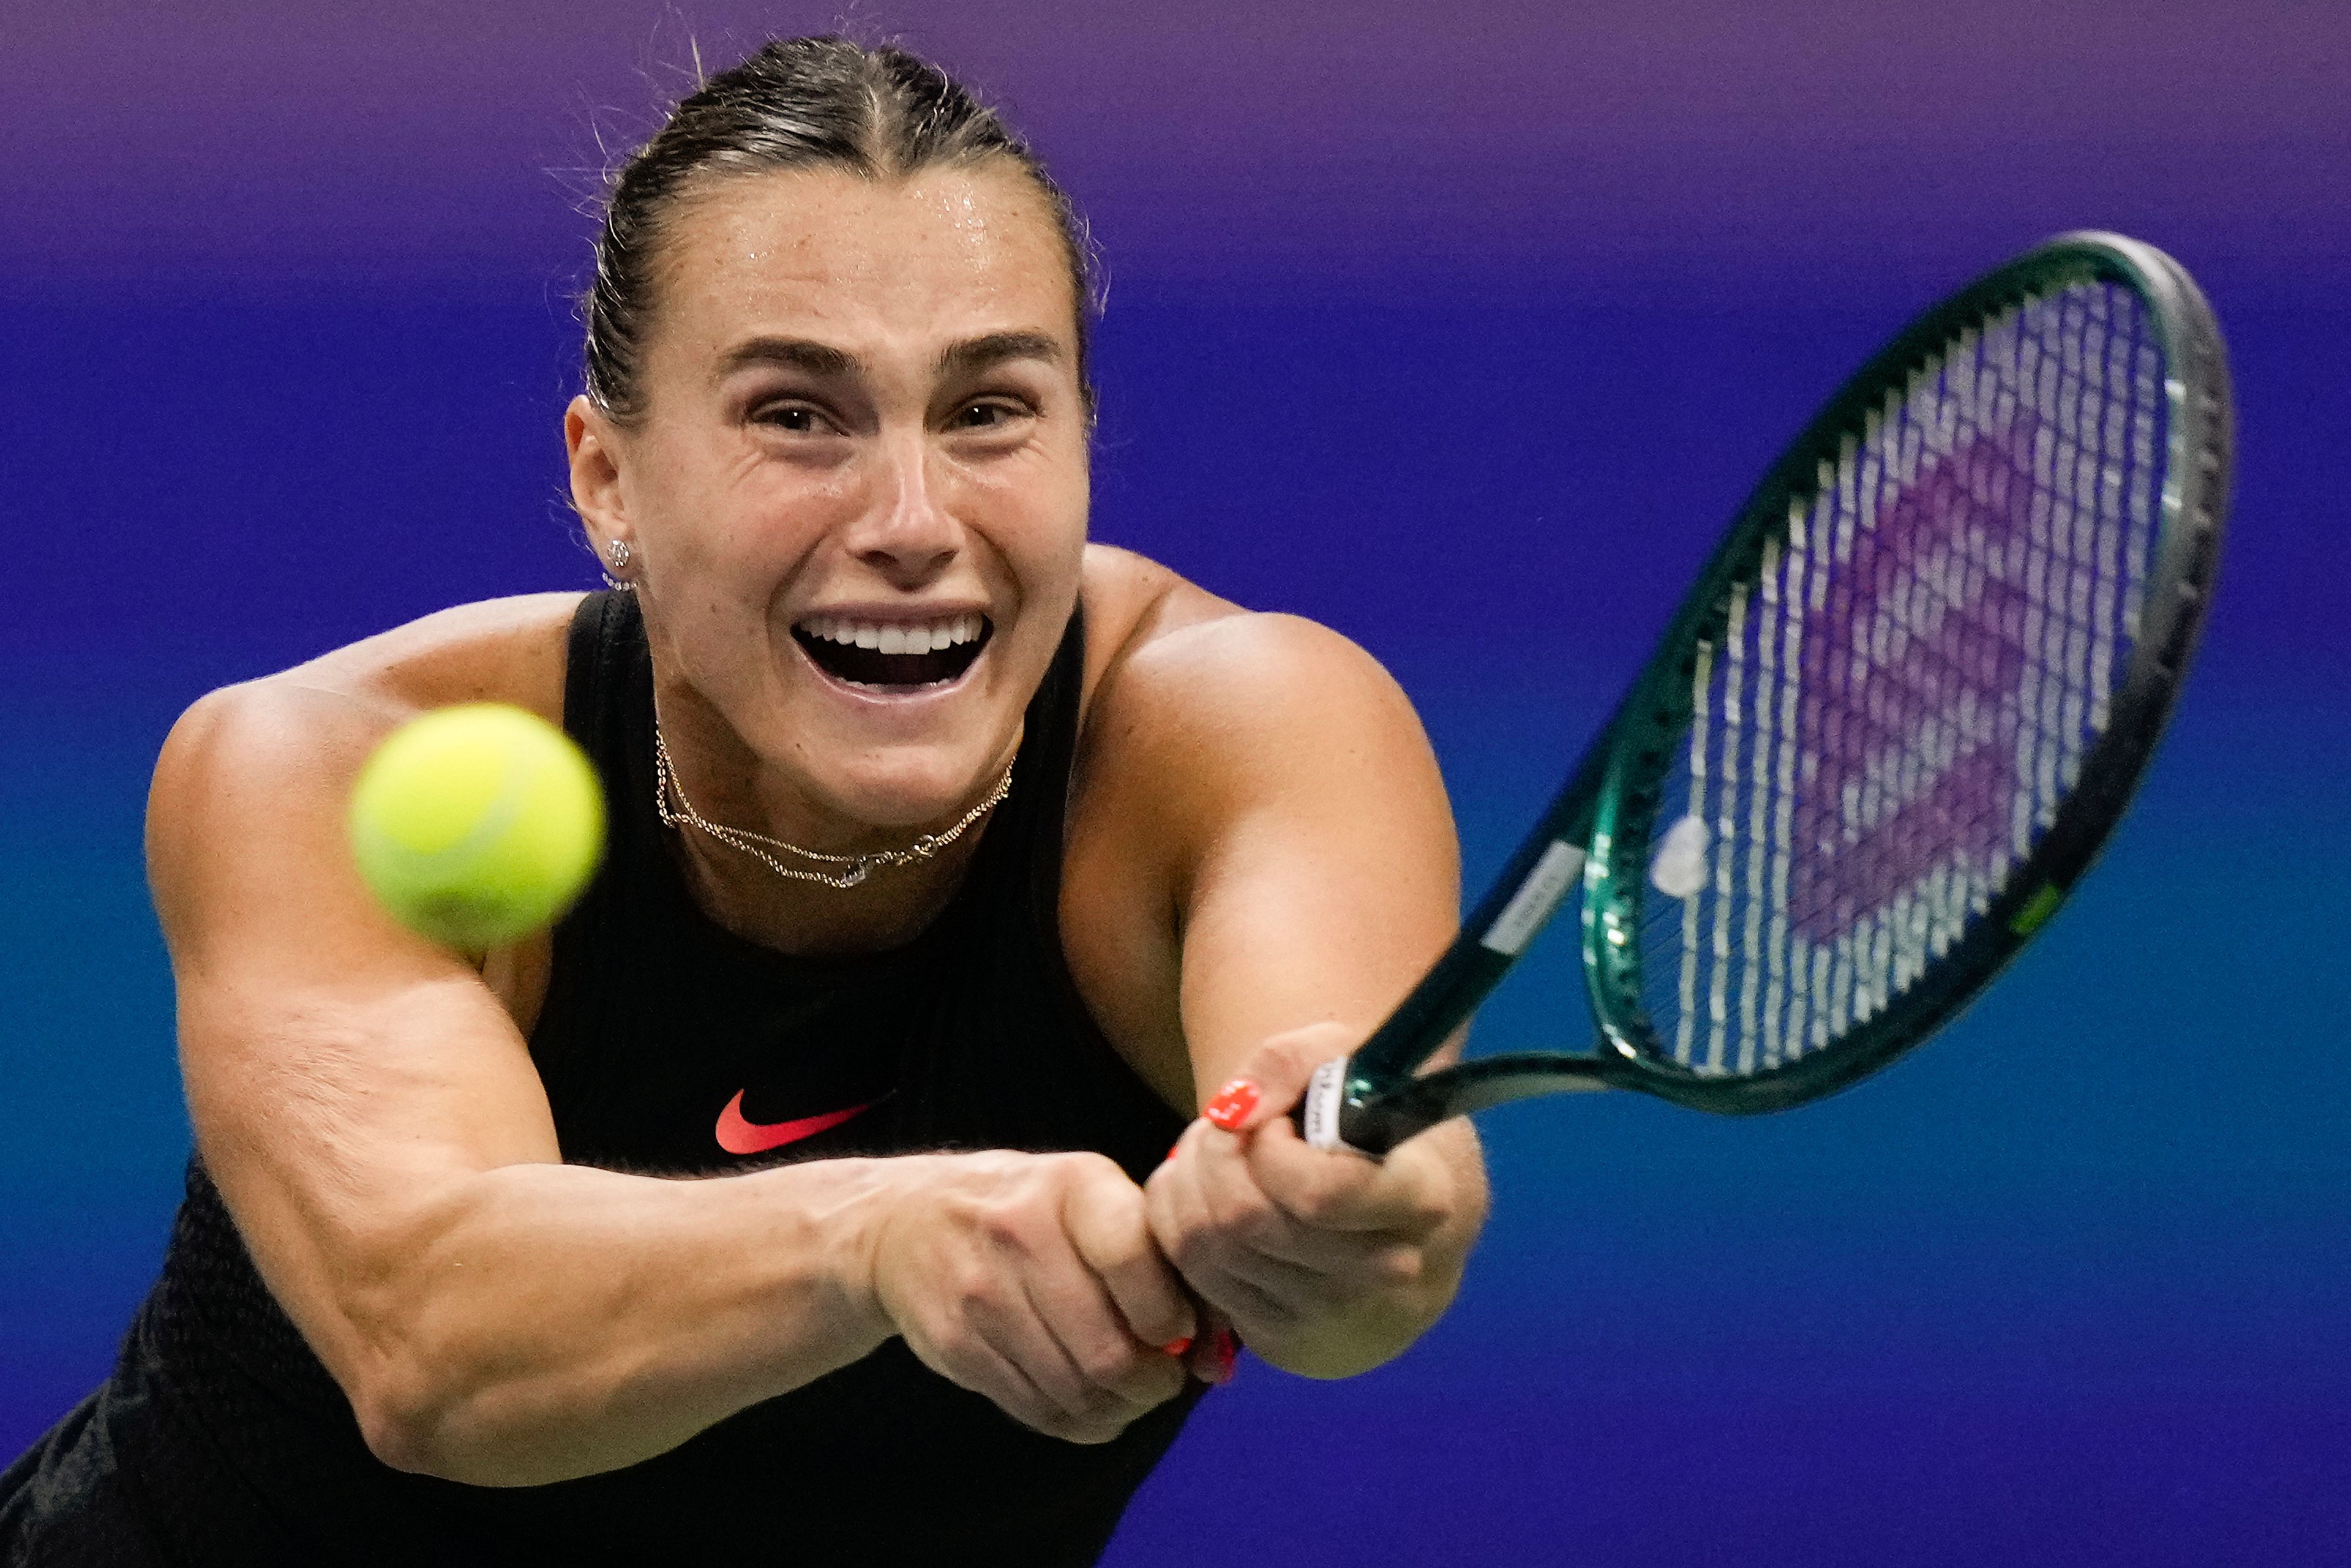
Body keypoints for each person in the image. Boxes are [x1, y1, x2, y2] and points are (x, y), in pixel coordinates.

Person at [0, 36, 1486, 1566]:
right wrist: (885, 1238)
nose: (914, 523)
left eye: (989, 410)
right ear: (608, 482)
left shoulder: (1240, 732)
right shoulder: (318, 761)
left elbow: (1374, 1258)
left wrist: (1348, 1222)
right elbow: (429, 1341)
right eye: (797, 415)